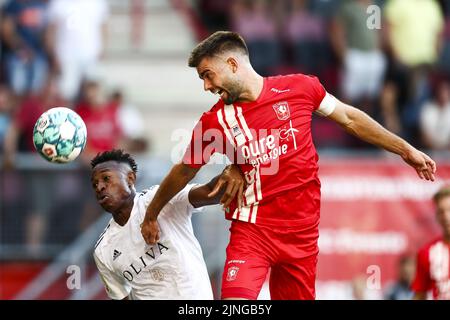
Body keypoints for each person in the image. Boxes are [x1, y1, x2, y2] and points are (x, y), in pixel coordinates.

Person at [140, 31, 436, 300]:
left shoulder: (300, 88)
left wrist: (405, 149)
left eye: (207, 75)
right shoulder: (215, 121)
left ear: (232, 64)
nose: (206, 86)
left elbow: (350, 118)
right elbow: (184, 170)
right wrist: (152, 213)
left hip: (302, 234)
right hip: (253, 230)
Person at [91, 149, 244, 300]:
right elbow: (121, 297)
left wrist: (238, 168)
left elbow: (211, 191)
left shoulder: (161, 199)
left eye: (106, 178)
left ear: (130, 179)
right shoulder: (103, 250)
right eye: (95, 184)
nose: (100, 187)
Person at [411, 185, 450, 300]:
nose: (446, 216)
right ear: (437, 216)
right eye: (441, 212)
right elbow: (419, 295)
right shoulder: (427, 252)